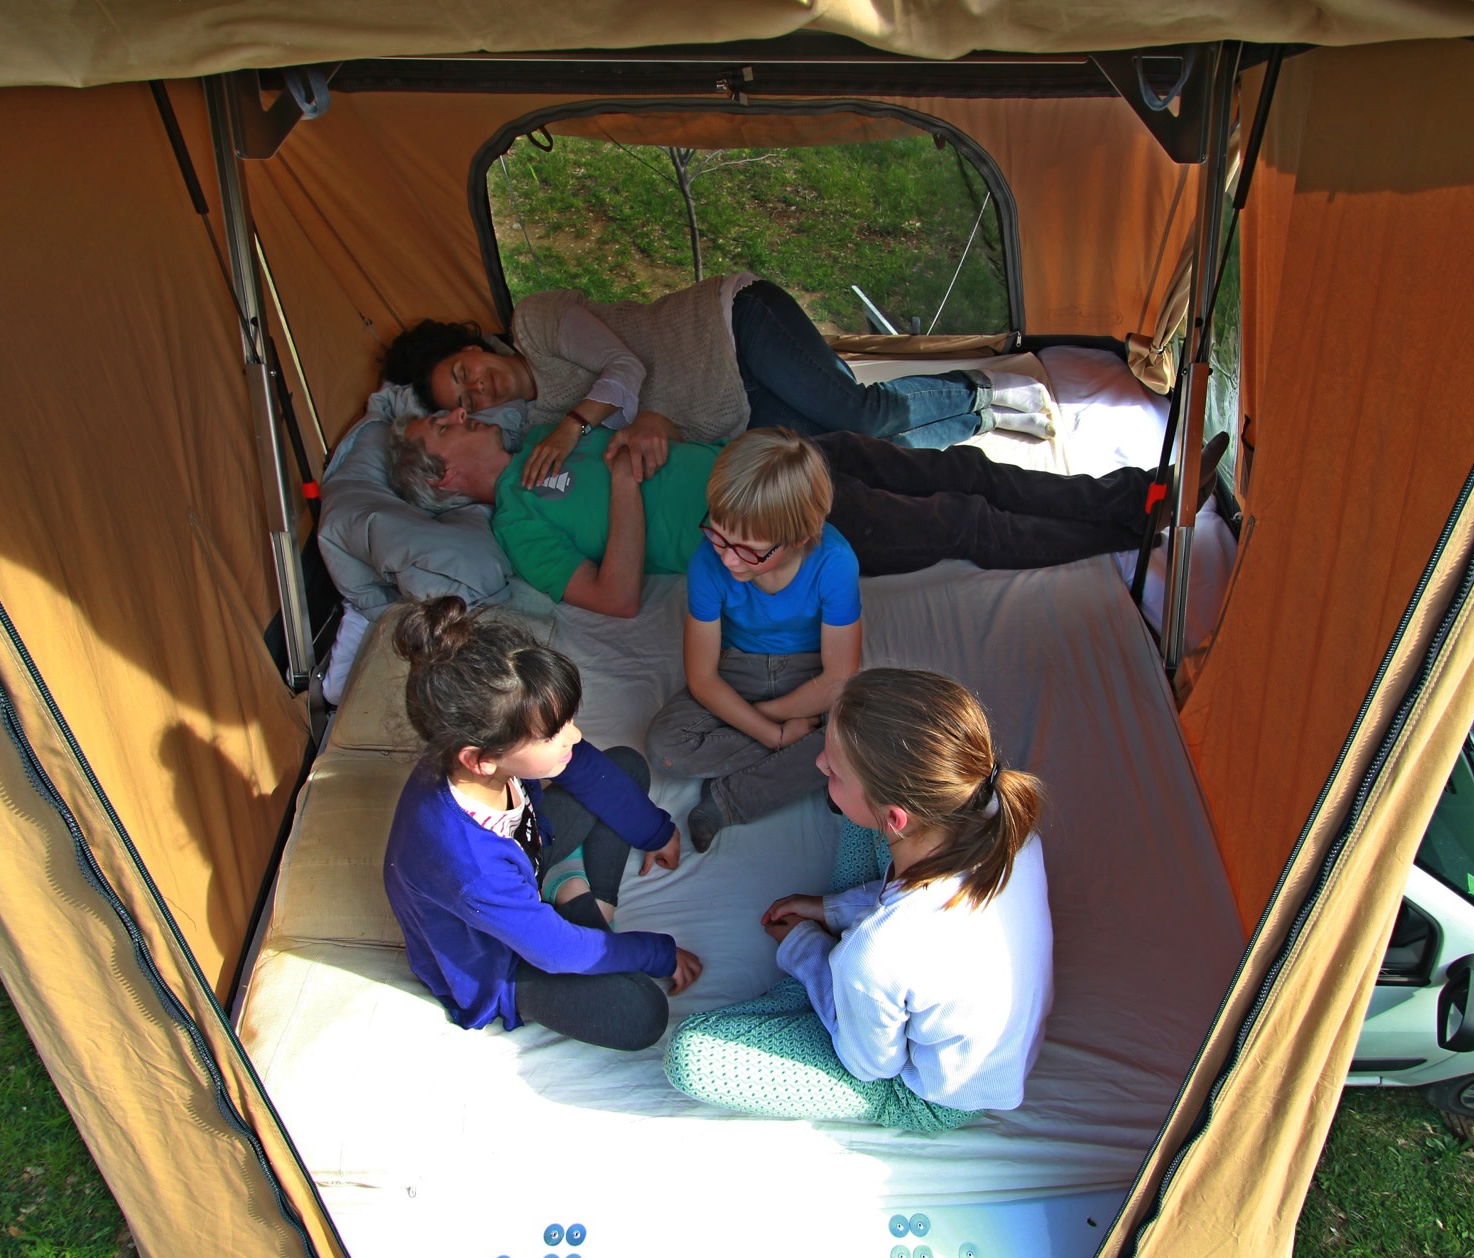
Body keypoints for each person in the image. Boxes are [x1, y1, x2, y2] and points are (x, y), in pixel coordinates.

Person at [664, 668, 1054, 1130]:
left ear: (896, 820)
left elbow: (871, 1065)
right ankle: (832, 984)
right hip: (920, 986)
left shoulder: (876, 954)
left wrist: (807, 949)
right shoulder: (995, 813)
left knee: (691, 1056)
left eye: (832, 771)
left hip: (925, 1092)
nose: (817, 768)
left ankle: (815, 988)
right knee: (856, 812)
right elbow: (916, 902)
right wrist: (828, 910)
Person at [386, 407, 1180, 618]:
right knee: (959, 519)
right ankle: (1128, 529)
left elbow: (649, 425)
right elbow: (617, 596)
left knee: (958, 464)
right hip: (768, 520)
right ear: (449, 478)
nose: (462, 414)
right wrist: (626, 489)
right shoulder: (516, 526)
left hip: (773, 453)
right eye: (444, 428)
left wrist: (652, 424)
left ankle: (1139, 490)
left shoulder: (546, 443)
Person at [382, 596, 700, 1051]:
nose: (574, 734)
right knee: (643, 1014)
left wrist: (657, 831)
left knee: (623, 768)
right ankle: (579, 902)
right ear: (481, 760)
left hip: (529, 862)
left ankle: (570, 885)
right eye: (553, 733)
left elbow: (583, 765)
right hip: (505, 961)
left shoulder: (487, 753)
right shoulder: (469, 866)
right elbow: (554, 952)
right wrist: (657, 952)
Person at [380, 276, 1054, 487]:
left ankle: (973, 386)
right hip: (725, 409)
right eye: (462, 401)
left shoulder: (537, 322)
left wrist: (573, 423)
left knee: (864, 411)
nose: (479, 391)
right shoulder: (529, 425)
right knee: (851, 457)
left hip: (732, 328)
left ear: (471, 346)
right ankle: (982, 419)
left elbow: (626, 368)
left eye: (464, 373)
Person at [647, 429, 862, 852]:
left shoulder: (835, 562)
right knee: (665, 747)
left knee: (863, 735)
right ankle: (810, 763)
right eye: (719, 535)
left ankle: (728, 801)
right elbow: (704, 678)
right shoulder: (708, 562)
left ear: (799, 536)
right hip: (736, 666)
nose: (727, 558)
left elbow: (838, 677)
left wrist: (761, 716)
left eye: (748, 550)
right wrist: (776, 736)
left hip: (810, 672)